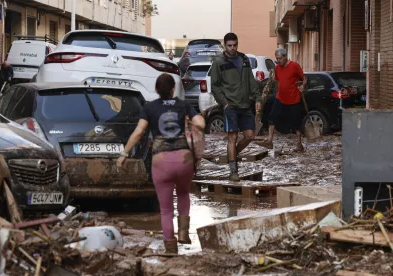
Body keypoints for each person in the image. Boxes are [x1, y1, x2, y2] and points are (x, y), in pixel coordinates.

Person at [117, 73, 205, 254]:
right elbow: (201, 124)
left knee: (165, 209)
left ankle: (171, 248)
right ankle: (182, 232)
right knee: (183, 194)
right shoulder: (183, 105)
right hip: (183, 159)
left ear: (157, 90)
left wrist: (124, 154)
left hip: (161, 161)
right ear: (173, 89)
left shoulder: (149, 107)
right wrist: (194, 121)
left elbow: (138, 133)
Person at [210, 32, 261, 182]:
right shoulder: (218, 63)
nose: (232, 48)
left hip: (245, 105)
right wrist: (224, 103)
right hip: (230, 106)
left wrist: (258, 97)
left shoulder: (244, 59)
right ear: (225, 46)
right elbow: (215, 86)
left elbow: (251, 81)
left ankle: (232, 154)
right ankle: (233, 171)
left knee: (250, 136)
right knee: (232, 138)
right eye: (229, 46)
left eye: (235, 45)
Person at [256, 48, 307, 152]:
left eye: (280, 58)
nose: (278, 61)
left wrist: (303, 85)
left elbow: (305, 77)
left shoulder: (294, 66)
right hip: (280, 98)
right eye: (277, 58)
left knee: (296, 123)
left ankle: (299, 144)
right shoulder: (277, 68)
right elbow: (278, 82)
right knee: (272, 117)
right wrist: (278, 92)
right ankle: (269, 140)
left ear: (285, 56)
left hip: (293, 99)